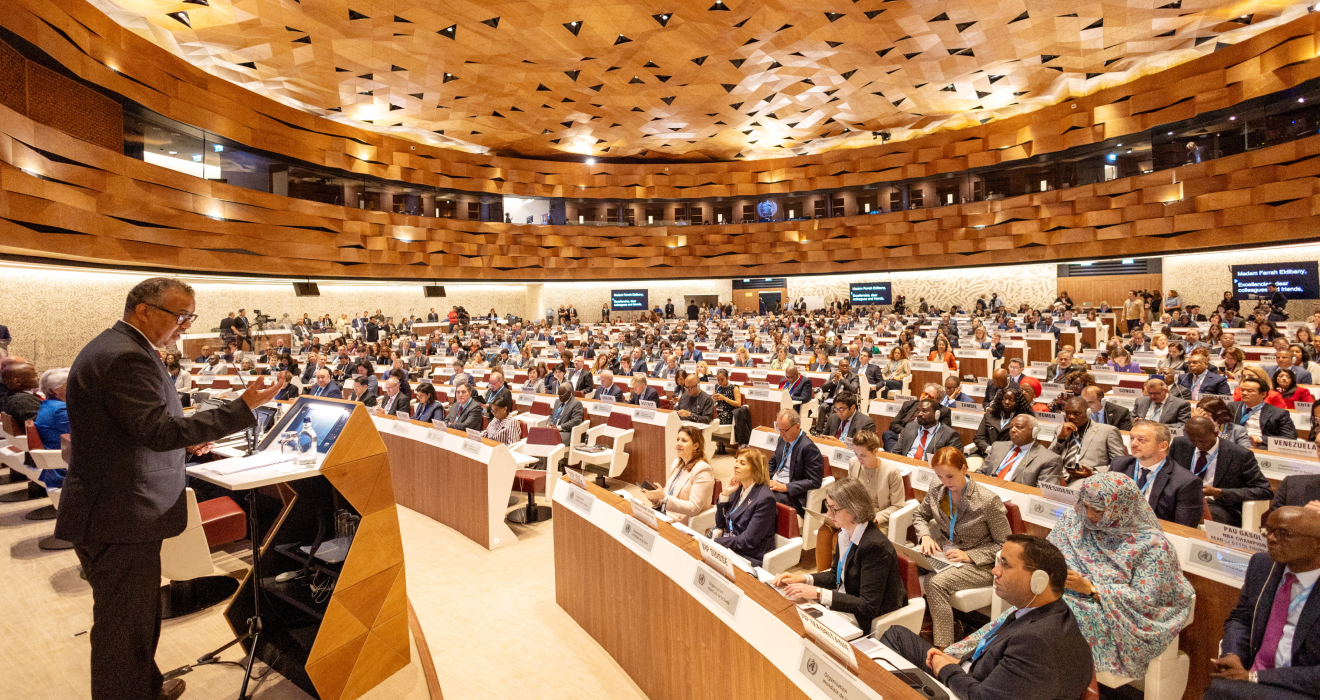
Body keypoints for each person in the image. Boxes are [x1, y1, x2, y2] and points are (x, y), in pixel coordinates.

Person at [55, 278, 286, 700]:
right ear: (144, 310)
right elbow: (158, 431)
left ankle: (144, 686)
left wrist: (183, 438)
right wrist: (244, 407)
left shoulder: (118, 347)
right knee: (123, 628)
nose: (185, 325)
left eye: (189, 317)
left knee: (134, 620)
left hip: (113, 509)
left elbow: (135, 431)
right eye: (180, 316)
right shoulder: (126, 356)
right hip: (119, 515)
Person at [880, 534, 1093, 700]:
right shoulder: (1042, 610)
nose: (994, 571)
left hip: (972, 691)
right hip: (970, 676)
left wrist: (947, 669)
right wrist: (957, 662)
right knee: (896, 635)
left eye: (1005, 565)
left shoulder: (1036, 642)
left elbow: (983, 697)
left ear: (1039, 580)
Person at [1048, 472, 1194, 678]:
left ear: (1121, 507)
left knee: (1049, 628)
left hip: (1108, 614)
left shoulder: (1152, 544)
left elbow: (1146, 601)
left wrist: (1091, 588)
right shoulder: (1074, 521)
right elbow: (1047, 555)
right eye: (1085, 506)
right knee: (1026, 614)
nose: (1089, 515)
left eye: (1098, 509)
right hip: (1058, 597)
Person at [1207, 506, 1320, 700]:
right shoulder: (1262, 565)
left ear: (1317, 543)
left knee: (1222, 692)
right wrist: (1233, 654)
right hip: (1252, 673)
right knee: (1222, 687)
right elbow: (1241, 617)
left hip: (1303, 686)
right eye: (1268, 531)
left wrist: (1255, 677)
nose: (1271, 539)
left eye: (1284, 534)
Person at [775, 477, 908, 631]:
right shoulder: (844, 533)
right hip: (845, 605)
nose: (828, 513)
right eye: (827, 506)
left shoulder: (875, 546)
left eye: (834, 509)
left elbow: (868, 606)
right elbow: (835, 576)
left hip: (865, 618)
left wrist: (818, 593)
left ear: (854, 509)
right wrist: (804, 578)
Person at [914, 447, 1012, 648]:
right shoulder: (936, 488)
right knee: (903, 562)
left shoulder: (987, 500)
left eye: (950, 476)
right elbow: (919, 515)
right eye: (940, 476)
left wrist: (970, 555)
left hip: (979, 564)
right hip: (944, 554)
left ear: (965, 468)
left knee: (935, 583)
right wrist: (925, 536)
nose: (945, 482)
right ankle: (915, 625)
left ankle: (945, 648)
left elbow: (1006, 545)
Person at [1170, 416, 1273, 526]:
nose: (1198, 445)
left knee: (1188, 516)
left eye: (1202, 441)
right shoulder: (1180, 444)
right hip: (1180, 497)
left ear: (1215, 433)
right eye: (1193, 441)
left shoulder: (1240, 455)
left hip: (1217, 504)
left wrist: (1218, 492)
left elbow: (1264, 490)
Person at [1111, 420, 1204, 527]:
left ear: (1163, 446)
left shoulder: (1186, 482)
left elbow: (1183, 528)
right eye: (1132, 438)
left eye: (1141, 440)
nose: (1133, 444)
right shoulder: (1119, 465)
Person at [712, 448, 778, 566]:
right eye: (736, 461)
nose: (736, 466)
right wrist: (725, 495)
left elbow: (748, 542)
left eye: (742, 463)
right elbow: (720, 524)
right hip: (732, 547)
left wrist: (716, 542)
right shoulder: (739, 489)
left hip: (749, 556)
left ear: (755, 469)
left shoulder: (765, 499)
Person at [642, 425, 713, 525]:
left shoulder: (702, 469)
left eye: (684, 440)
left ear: (696, 446)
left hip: (680, 521)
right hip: (665, 513)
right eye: (677, 439)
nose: (678, 443)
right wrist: (656, 499)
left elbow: (694, 508)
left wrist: (665, 497)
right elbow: (669, 494)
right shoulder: (677, 463)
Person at [1050, 396, 1127, 483]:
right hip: (1059, 476)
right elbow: (1049, 458)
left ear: (1088, 413)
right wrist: (1060, 438)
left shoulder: (1108, 431)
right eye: (1068, 413)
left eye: (1076, 413)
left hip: (1089, 480)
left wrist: (1094, 472)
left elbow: (1119, 465)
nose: (1071, 417)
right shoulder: (1060, 429)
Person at [766, 408, 823, 516]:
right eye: (779, 429)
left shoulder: (808, 448)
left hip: (792, 494)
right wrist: (765, 478)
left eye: (784, 430)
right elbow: (773, 462)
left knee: (766, 498)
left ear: (797, 426)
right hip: (775, 483)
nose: (781, 434)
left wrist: (785, 487)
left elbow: (815, 481)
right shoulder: (782, 440)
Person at [980, 415, 1065, 487]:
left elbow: (1042, 493)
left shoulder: (1049, 459)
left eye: (1019, 427)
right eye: (1011, 427)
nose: (1013, 430)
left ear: (1034, 432)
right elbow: (980, 472)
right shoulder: (997, 446)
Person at [1231, 375, 1298, 446]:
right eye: (1242, 390)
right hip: (1234, 443)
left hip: (1259, 445)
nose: (1244, 393)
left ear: (1263, 394)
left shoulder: (1279, 413)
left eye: (1249, 391)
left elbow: (1290, 437)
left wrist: (1260, 439)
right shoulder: (1233, 406)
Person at [894, 399, 963, 461]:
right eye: (918, 411)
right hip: (906, 464)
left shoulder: (950, 435)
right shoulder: (910, 427)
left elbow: (953, 462)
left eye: (924, 411)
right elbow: (895, 451)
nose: (919, 414)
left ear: (937, 414)